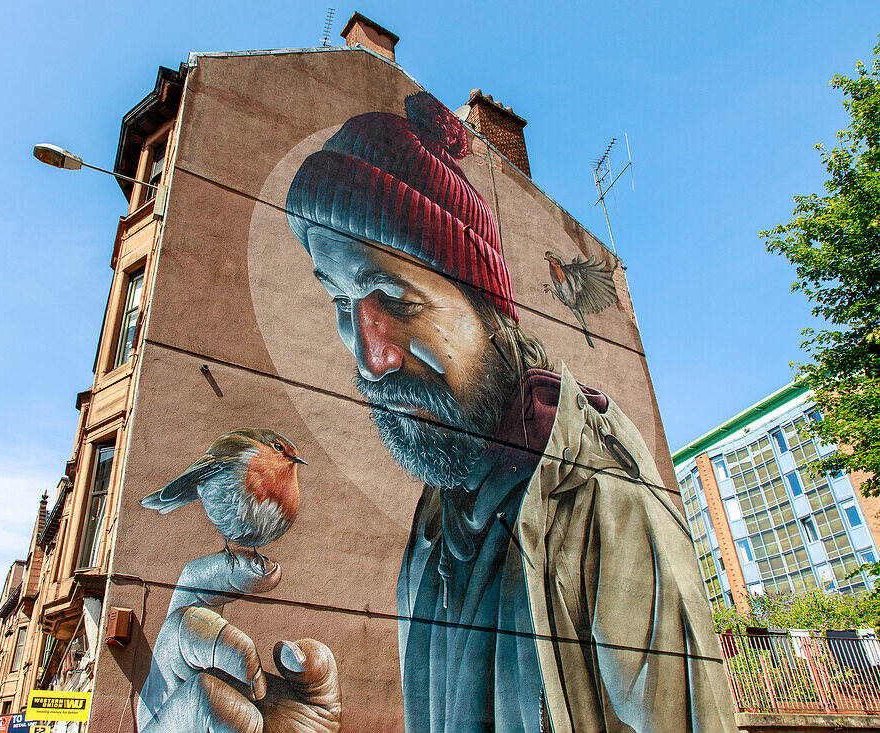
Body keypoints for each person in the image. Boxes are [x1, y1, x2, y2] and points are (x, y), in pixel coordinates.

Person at [137, 93, 737, 733]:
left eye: (391, 294)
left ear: (488, 305)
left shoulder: (601, 502)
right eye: (343, 303)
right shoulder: (436, 523)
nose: (372, 357)